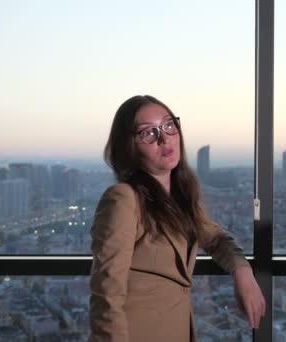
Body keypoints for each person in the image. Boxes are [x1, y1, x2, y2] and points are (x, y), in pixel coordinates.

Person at [89, 95, 265, 342]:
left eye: (169, 125)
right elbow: (106, 293)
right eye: (148, 133)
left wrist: (242, 271)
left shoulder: (179, 198)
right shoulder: (124, 199)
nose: (164, 138)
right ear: (129, 147)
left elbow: (215, 239)